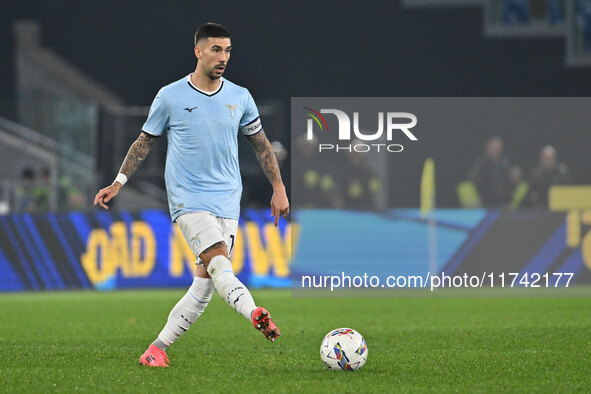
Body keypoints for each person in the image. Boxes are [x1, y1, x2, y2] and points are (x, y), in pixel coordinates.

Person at [93, 23, 290, 367]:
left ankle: (156, 350)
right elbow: (144, 143)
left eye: (228, 50)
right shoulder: (170, 96)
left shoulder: (240, 96)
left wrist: (279, 187)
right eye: (216, 49)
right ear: (198, 51)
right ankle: (254, 311)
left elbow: (261, 145)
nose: (223, 57)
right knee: (219, 262)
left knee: (204, 287)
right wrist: (119, 182)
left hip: (228, 199)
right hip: (188, 199)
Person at [468, 136, 513, 207]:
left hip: (504, 203)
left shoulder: (505, 163)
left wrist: (509, 198)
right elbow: (474, 180)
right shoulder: (481, 163)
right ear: (488, 147)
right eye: (494, 148)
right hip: (487, 203)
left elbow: (509, 181)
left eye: (498, 147)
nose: (497, 150)